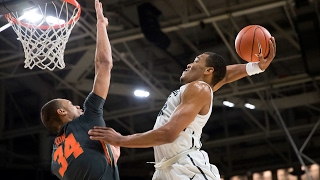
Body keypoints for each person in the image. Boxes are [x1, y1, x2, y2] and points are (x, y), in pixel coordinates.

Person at [88, 37, 276, 180]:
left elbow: (168, 134)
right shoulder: (199, 88)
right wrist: (256, 67)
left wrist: (120, 140)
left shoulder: (199, 88)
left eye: (196, 60)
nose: (189, 63)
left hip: (186, 167)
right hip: (165, 169)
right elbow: (224, 76)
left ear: (208, 71)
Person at [40, 0, 120, 179]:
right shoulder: (86, 119)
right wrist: (101, 24)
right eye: (70, 104)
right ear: (61, 111)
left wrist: (108, 156)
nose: (77, 106)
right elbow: (104, 64)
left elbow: (88, 164)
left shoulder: (55, 158)